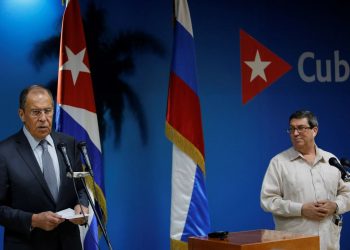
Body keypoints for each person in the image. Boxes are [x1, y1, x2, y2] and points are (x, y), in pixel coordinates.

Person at [0, 85, 89, 250]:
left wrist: (81, 206)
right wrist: (32, 220)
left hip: (69, 244)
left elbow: (81, 188)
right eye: (36, 112)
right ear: (22, 114)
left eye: (48, 111)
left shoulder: (69, 144)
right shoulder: (4, 152)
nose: (43, 118)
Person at [260, 110, 350, 250]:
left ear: (314, 131)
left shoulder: (331, 161)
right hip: (292, 244)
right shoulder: (278, 163)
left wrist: (335, 206)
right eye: (292, 129)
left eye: (301, 128)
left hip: (328, 243)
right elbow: (268, 200)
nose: (295, 133)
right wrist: (301, 209)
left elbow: (348, 193)